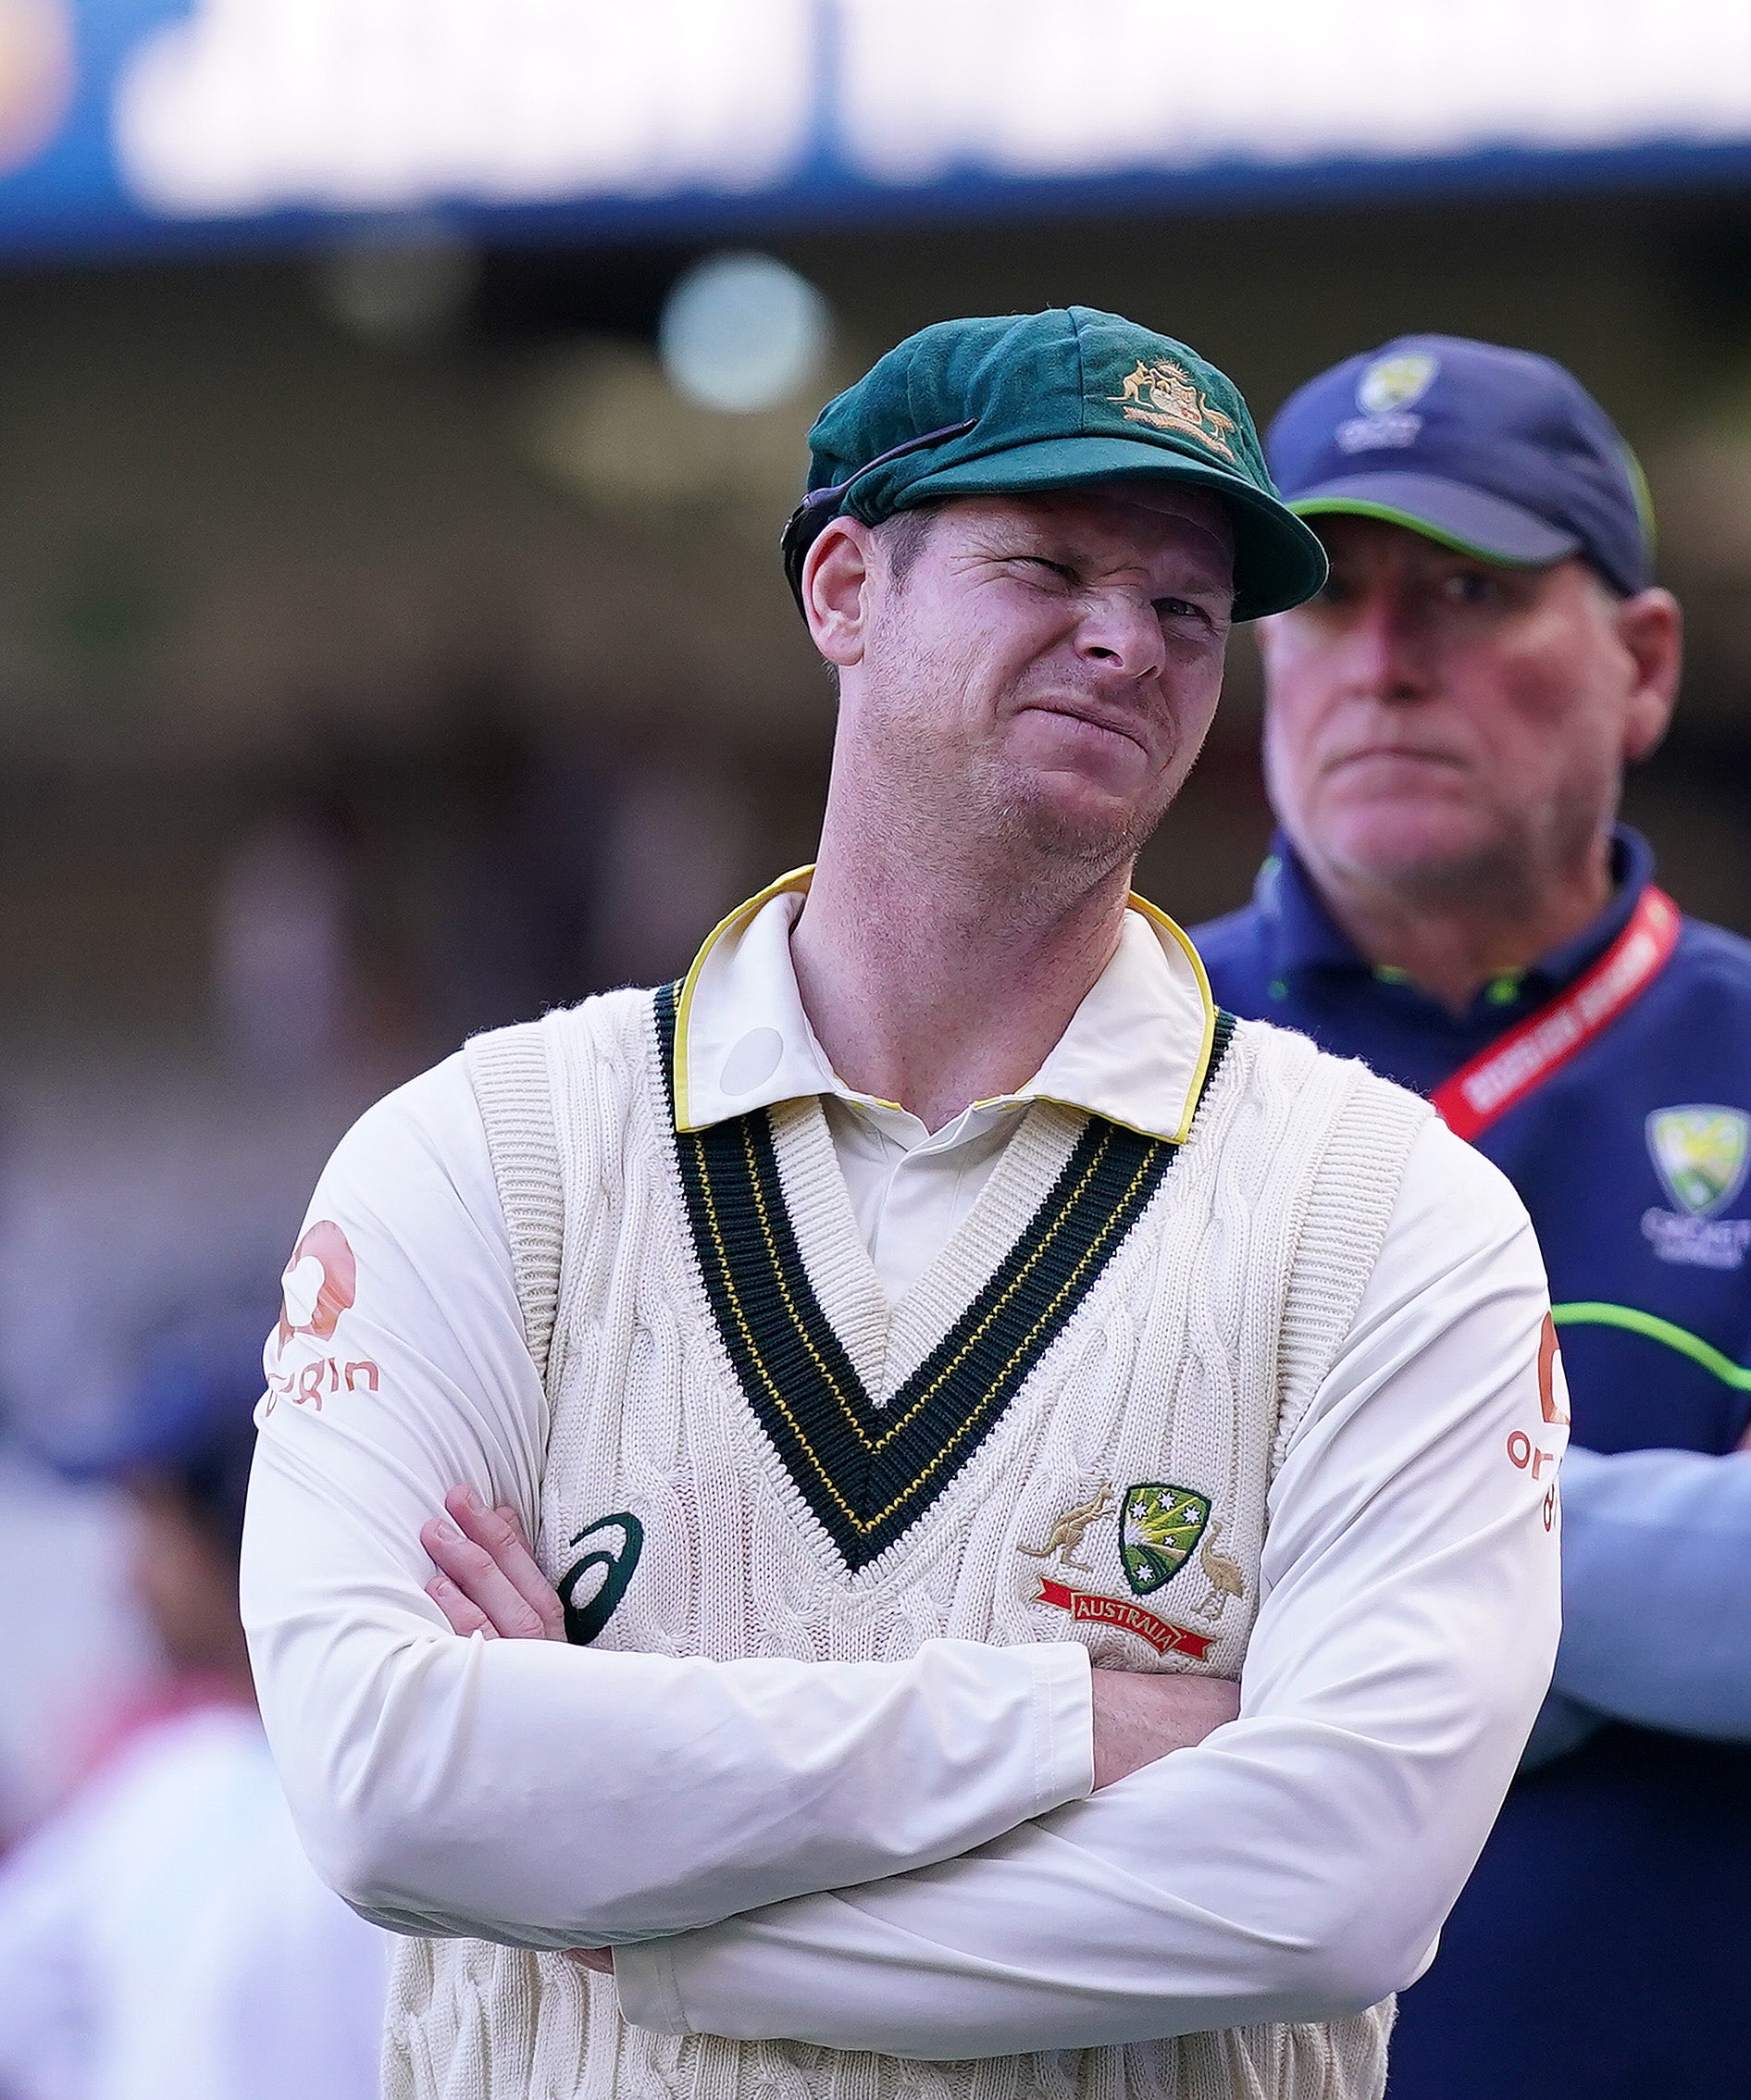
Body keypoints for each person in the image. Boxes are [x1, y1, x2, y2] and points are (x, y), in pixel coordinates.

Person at [241, 306, 1567, 2099]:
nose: (1128, 638)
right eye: (1048, 564)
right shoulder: (486, 1158)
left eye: (1188, 607)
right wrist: (1053, 1723)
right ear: (843, 588)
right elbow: (387, 1780)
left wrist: (638, 1892)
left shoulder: (1390, 1214)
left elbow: (1336, 1882)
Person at [1194, 334, 1751, 2100]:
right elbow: (998, 1634)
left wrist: (1298, 1579)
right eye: (1327, 605)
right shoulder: (1096, 1067)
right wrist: (1715, 1529)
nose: (1388, 664)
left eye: (1470, 589)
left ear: (1640, 666)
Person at [0, 1313, 390, 2100]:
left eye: (153, 1525)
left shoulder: (217, 1785)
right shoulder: (178, 1777)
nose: (129, 1576)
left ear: (239, 1526)